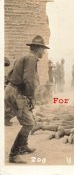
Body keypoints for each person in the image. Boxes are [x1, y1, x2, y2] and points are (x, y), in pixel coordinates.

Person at [5, 35, 50, 163]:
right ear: (37, 48)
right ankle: (14, 154)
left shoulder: (23, 56)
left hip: (12, 90)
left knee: (28, 117)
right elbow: (28, 79)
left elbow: (10, 75)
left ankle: (23, 146)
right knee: (29, 123)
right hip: (16, 93)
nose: (44, 52)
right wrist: (30, 97)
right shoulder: (31, 58)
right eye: (43, 49)